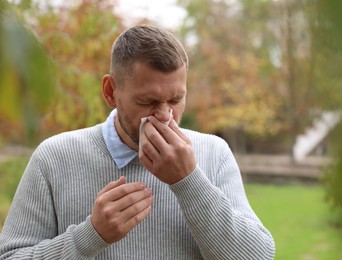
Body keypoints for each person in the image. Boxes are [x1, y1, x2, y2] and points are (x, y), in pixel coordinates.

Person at [0, 25, 275, 259]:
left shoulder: (214, 153)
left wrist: (189, 180)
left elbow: (258, 255)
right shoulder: (54, 156)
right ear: (110, 92)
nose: (166, 116)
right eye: (148, 101)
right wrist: (89, 237)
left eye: (176, 99)